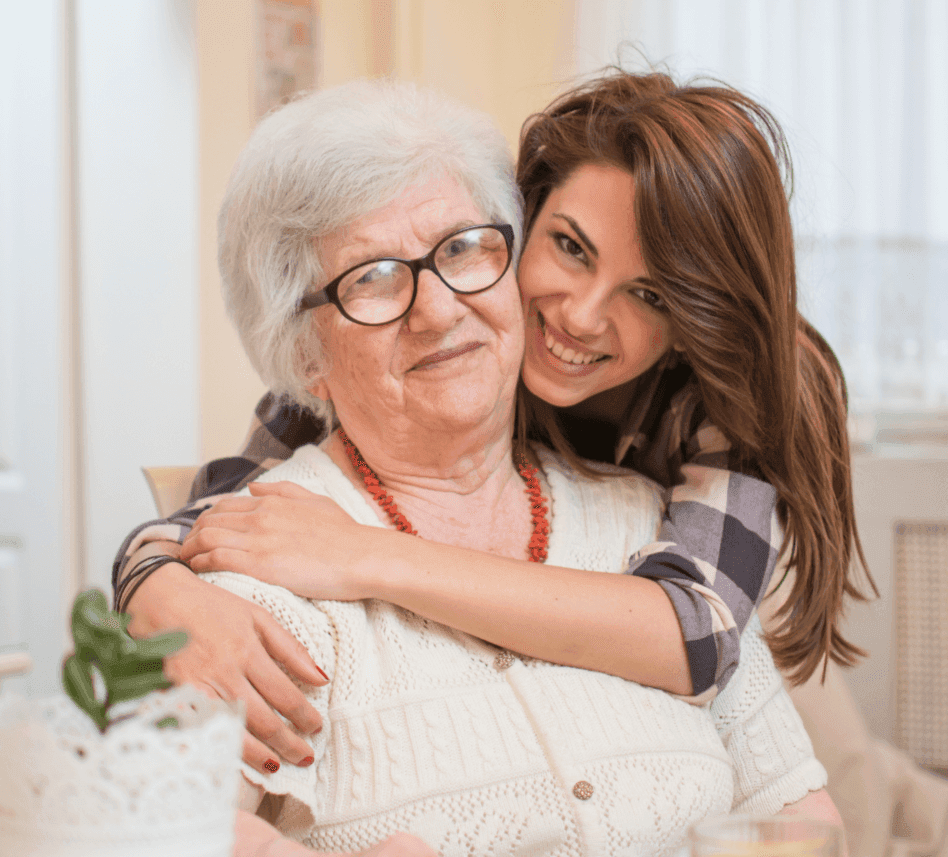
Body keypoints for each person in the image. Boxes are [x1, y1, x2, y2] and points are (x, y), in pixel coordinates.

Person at [114, 68, 874, 773]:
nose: (580, 316)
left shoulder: (725, 392)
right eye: (571, 248)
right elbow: (216, 513)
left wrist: (367, 554)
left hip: (717, 625)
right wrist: (157, 587)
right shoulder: (390, 332)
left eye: (651, 296)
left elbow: (695, 634)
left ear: (692, 321)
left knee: (850, 782)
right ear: (522, 212)